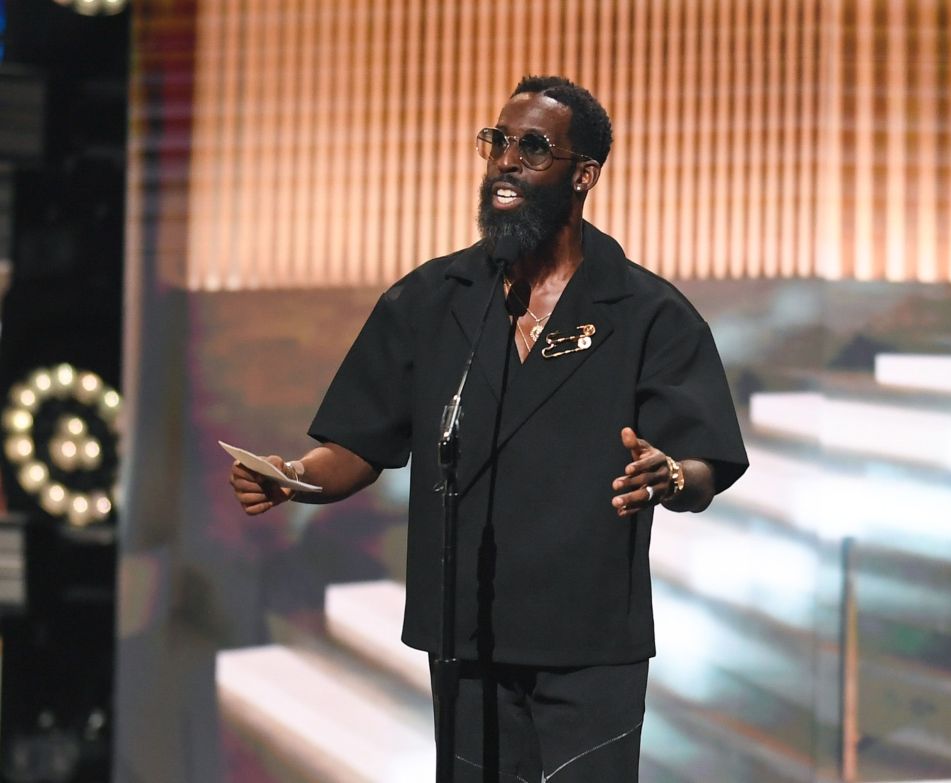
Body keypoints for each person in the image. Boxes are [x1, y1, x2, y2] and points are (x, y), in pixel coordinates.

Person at [230, 75, 748, 782]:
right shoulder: (434, 299)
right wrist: (293, 477)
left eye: (532, 148)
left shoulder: (645, 310)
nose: (506, 161)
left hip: (588, 643)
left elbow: (704, 461)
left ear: (584, 174)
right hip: (467, 639)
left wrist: (674, 475)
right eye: (498, 142)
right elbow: (357, 444)